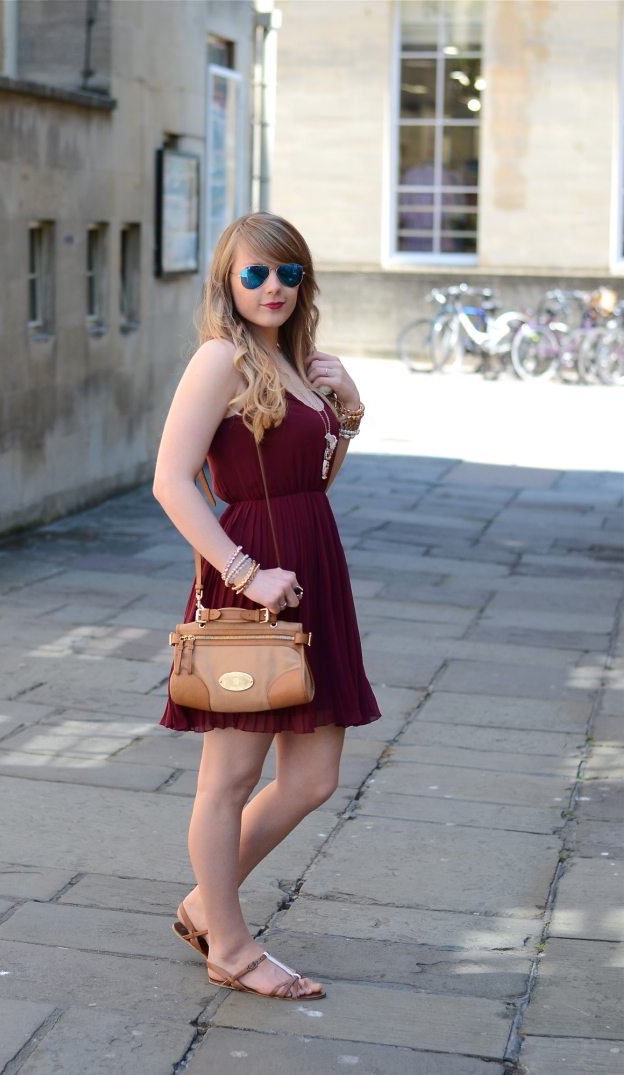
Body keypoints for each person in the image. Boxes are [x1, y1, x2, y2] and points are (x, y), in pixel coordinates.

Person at [153, 211, 380, 1002]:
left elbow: (312, 480)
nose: (273, 286)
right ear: (229, 281)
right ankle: (231, 944)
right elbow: (171, 481)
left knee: (313, 776)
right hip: (249, 575)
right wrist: (245, 572)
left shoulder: (293, 361)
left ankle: (201, 904)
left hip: (312, 563)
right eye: (256, 273)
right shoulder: (220, 358)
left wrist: (347, 410)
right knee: (231, 774)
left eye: (286, 273)